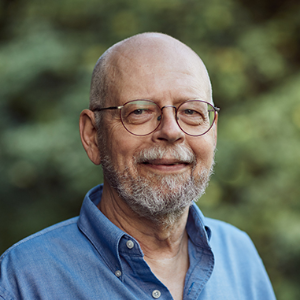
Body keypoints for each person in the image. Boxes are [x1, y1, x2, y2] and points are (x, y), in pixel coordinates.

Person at [0, 32, 276, 300]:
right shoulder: (22, 280)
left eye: (191, 111)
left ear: (213, 132)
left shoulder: (240, 257)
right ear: (93, 136)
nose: (171, 131)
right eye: (140, 111)